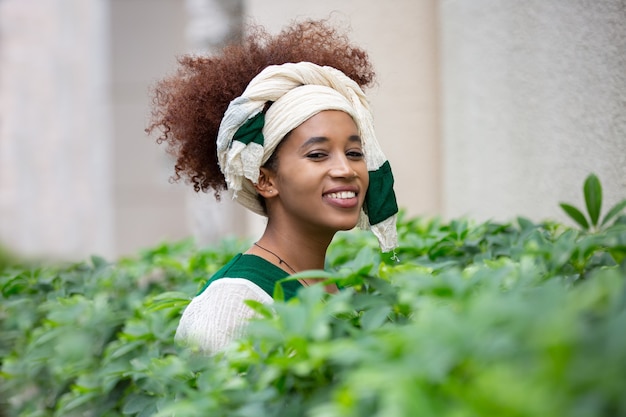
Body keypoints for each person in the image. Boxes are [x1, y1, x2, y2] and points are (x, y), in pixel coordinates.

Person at [146, 19, 398, 354]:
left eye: (354, 153)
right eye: (318, 154)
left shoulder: (329, 285)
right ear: (265, 178)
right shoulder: (235, 303)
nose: (346, 169)